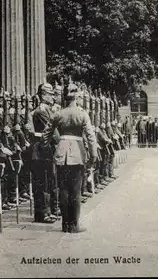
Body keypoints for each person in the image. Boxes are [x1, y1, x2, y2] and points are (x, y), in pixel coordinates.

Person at [43, 83, 98, 233]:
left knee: (63, 190)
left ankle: (65, 225)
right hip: (78, 154)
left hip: (61, 154)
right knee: (75, 191)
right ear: (76, 97)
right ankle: (74, 225)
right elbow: (91, 138)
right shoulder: (82, 114)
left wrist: (52, 147)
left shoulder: (58, 114)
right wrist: (93, 157)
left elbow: (45, 135)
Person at [32, 83, 60, 223]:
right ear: (43, 95)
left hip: (47, 149)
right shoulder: (42, 110)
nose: (53, 97)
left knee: (49, 180)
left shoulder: (48, 110)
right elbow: (51, 132)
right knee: (42, 182)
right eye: (50, 94)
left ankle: (49, 210)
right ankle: (42, 213)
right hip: (41, 150)